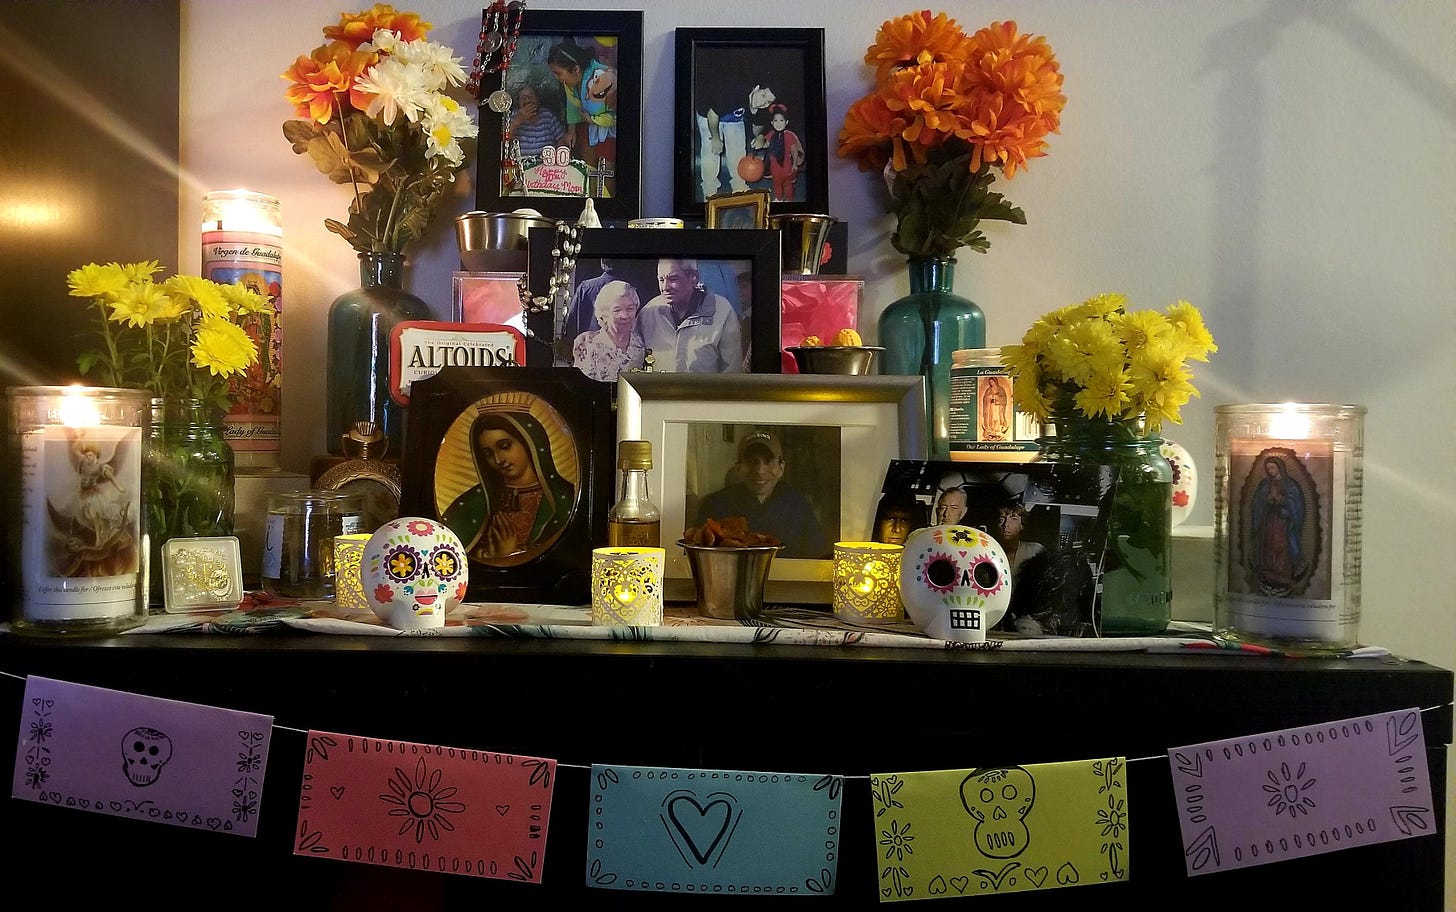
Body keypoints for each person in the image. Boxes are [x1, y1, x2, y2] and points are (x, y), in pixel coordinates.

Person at [441, 404, 576, 567]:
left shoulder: (563, 499)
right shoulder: (475, 500)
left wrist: (511, 553)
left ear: (528, 442)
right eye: (488, 454)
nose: (498, 459)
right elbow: (447, 554)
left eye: (504, 446)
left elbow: (566, 556)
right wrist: (490, 555)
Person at [693, 431, 831, 560]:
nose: (759, 471)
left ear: (781, 467)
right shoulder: (715, 506)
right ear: (739, 467)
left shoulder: (799, 505)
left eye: (769, 461)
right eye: (752, 461)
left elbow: (819, 559)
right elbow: (698, 559)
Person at [637, 258, 743, 373]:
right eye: (661, 280)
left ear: (694, 278)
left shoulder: (722, 311)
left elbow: (732, 372)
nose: (665, 287)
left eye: (673, 279)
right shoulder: (649, 311)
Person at [694, 84, 775, 200]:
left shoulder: (762, 108)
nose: (763, 103)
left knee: (738, 148)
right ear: (756, 88)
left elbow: (758, 127)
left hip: (733, 117)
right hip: (709, 113)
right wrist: (716, 138)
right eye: (763, 95)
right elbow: (712, 115)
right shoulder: (734, 94)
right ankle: (709, 188)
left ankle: (739, 184)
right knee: (711, 150)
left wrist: (760, 137)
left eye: (768, 101)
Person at [546, 40, 617, 171]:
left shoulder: (605, 77)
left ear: (576, 69)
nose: (556, 78)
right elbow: (572, 103)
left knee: (606, 169)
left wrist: (593, 120)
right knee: (586, 168)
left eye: (558, 73)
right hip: (586, 127)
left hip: (609, 130)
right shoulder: (569, 81)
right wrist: (571, 130)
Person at [1250, 456, 1305, 593]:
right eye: (1268, 468)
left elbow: (1296, 504)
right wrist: (1265, 500)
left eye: (1273, 467)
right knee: (1268, 545)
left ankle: (1282, 575)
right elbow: (1257, 503)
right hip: (1268, 522)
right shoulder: (1265, 484)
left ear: (1280, 467)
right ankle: (1267, 573)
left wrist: (1283, 501)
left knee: (1280, 546)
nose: (1270, 471)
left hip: (1283, 523)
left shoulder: (1290, 484)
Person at [571, 280, 645, 382]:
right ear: (604, 315)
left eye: (630, 309)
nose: (624, 315)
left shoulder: (640, 344)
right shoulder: (589, 347)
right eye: (617, 310)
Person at [560, 259, 618, 348]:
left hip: (588, 349)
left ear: (602, 264)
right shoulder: (629, 290)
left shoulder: (585, 287)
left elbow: (572, 321)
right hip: (618, 350)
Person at [507, 84, 565, 158]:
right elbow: (504, 142)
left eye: (531, 96)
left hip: (546, 164)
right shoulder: (513, 117)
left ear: (538, 100)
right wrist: (517, 121)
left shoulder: (547, 115)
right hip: (521, 164)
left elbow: (562, 139)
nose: (528, 100)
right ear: (518, 102)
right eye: (523, 98)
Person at [763, 103, 805, 202]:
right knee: (776, 183)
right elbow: (766, 145)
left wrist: (794, 164)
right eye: (776, 120)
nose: (778, 123)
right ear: (772, 123)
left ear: (786, 122)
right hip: (774, 166)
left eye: (781, 120)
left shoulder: (789, 135)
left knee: (788, 184)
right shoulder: (771, 134)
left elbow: (794, 151)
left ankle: (789, 200)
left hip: (787, 166)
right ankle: (778, 197)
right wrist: (760, 141)